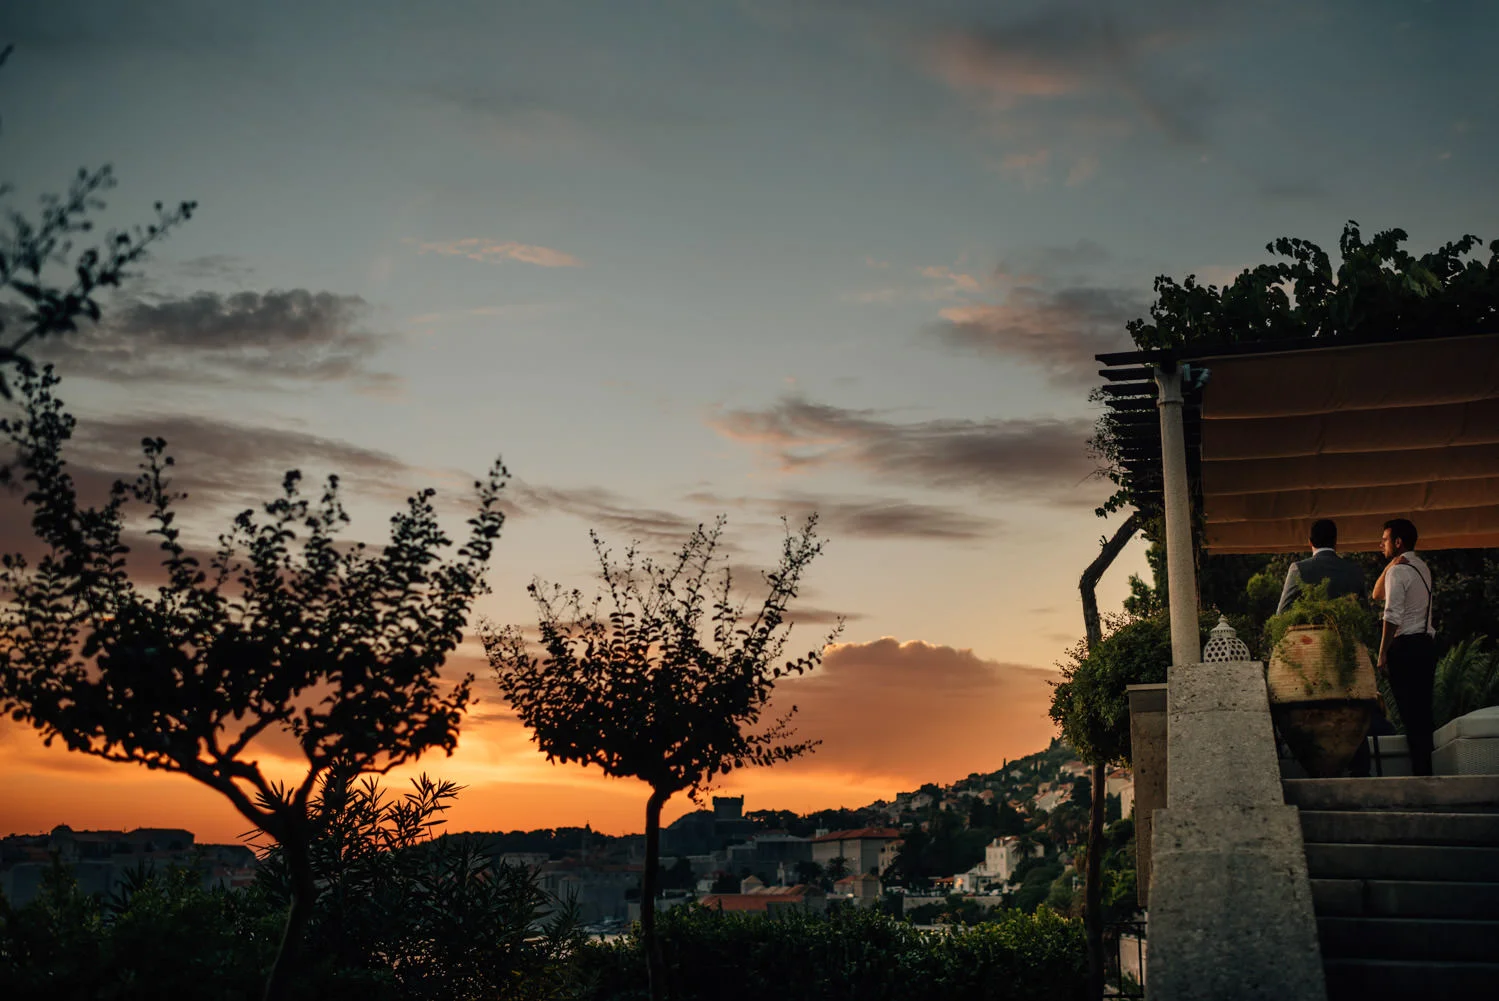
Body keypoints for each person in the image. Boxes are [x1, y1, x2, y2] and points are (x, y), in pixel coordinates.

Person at [1374, 518, 1437, 776]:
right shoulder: (1422, 567)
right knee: (1423, 711)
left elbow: (1391, 615)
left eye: (1386, 540)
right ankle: (1427, 770)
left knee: (1410, 713)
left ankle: (1420, 775)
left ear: (1397, 542)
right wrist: (1390, 565)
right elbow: (1377, 594)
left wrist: (1382, 653)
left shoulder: (1398, 571)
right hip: (1426, 645)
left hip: (1406, 647)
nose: (1381, 544)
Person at [1275, 519, 1365, 614]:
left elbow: (1282, 611)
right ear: (1335, 541)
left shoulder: (1298, 569)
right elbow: (1365, 611)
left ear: (1310, 542)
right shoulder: (1355, 570)